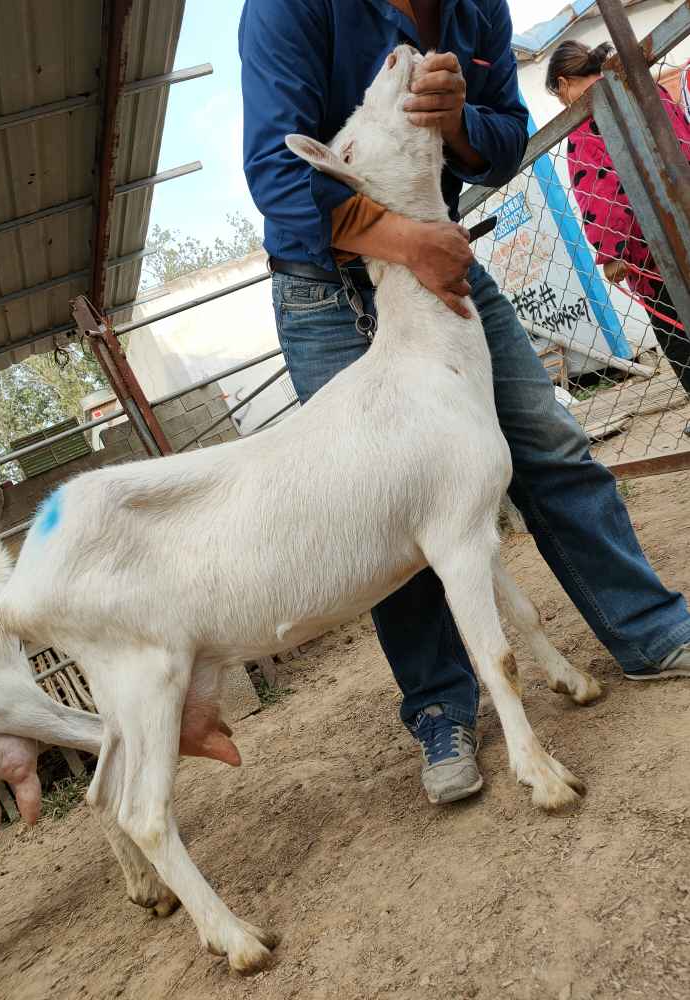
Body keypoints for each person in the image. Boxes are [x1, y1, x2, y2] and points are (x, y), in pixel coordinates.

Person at [239, 0, 690, 806]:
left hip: (440, 254)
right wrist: (402, 241)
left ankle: (649, 629)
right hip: (327, 283)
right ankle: (444, 707)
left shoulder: (478, 8)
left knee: (544, 435)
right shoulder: (287, 7)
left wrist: (456, 126)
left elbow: (504, 141)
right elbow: (277, 171)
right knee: (386, 503)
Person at [547, 40, 690, 402]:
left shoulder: (584, 122)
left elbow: (600, 193)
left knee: (678, 339)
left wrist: (612, 255)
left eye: (559, 97)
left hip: (652, 256)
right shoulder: (644, 88)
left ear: (564, 84)